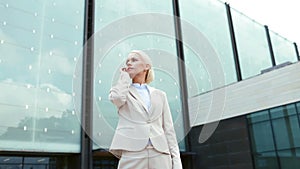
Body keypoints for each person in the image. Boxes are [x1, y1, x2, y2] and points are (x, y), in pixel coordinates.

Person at [109, 50, 183, 169]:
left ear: (146, 66)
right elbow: (117, 99)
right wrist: (124, 78)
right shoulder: (121, 90)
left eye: (134, 60)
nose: (129, 63)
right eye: (127, 61)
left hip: (160, 153)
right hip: (132, 152)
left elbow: (169, 130)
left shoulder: (160, 95)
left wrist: (177, 162)